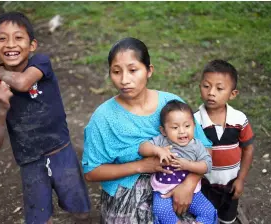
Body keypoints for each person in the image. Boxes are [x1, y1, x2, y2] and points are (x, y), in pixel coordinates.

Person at [82, 37, 212, 224]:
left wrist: (188, 185)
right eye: (116, 72)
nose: (124, 80)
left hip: (180, 181)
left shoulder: (170, 103)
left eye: (133, 70)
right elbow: (91, 171)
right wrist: (143, 166)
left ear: (149, 70)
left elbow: (205, 148)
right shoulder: (103, 118)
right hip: (127, 193)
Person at [0, 12, 90, 224]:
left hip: (61, 152)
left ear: (32, 45)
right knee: (39, 217)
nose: (10, 44)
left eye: (18, 38)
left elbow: (22, 83)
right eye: (2, 38)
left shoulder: (40, 63)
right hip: (30, 162)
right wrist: (2, 108)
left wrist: (0, 72)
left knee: (81, 211)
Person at [194, 60, 255, 224]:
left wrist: (241, 179)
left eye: (219, 88)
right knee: (204, 217)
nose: (211, 92)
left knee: (227, 219)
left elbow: (248, 148)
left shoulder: (239, 119)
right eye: (206, 86)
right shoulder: (194, 122)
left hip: (230, 185)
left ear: (232, 94)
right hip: (203, 185)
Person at [139, 100, 217, 224]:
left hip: (192, 192)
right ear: (164, 131)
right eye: (175, 127)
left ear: (194, 126)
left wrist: (188, 165)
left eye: (187, 126)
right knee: (161, 211)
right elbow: (142, 148)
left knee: (208, 211)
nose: (182, 131)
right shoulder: (162, 141)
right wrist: (157, 150)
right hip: (163, 190)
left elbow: (207, 165)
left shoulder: (196, 146)